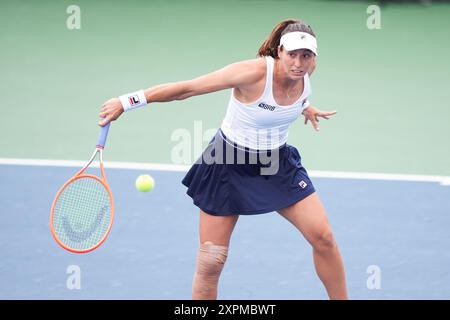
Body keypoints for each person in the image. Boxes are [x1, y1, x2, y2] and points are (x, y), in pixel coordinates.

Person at [99, 19, 348, 300]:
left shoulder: (304, 77)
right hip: (227, 164)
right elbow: (187, 89)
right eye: (293, 54)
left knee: (324, 238)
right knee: (210, 262)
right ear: (280, 51)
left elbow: (286, 100)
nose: (299, 63)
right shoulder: (251, 73)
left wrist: (305, 107)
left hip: (276, 164)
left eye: (307, 56)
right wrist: (127, 101)